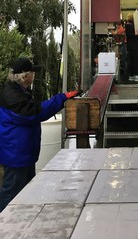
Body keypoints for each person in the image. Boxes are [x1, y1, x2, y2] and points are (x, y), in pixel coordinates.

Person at [0, 57, 80, 212]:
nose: (34, 76)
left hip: (22, 154)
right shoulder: (13, 97)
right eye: (32, 72)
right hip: (15, 155)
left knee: (24, 192)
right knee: (11, 194)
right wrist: (61, 98)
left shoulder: (18, 91)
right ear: (24, 76)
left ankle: (19, 224)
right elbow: (35, 113)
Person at [125, 13, 138, 82]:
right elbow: (129, 35)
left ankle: (132, 75)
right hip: (135, 46)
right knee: (136, 60)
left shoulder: (129, 25)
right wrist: (136, 33)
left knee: (133, 60)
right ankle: (136, 75)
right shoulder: (129, 25)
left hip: (133, 46)